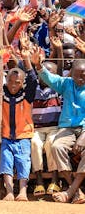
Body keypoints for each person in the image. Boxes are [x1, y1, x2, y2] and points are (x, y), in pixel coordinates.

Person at [34, 55, 85, 204]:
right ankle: (77, 191)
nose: (80, 79)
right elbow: (50, 78)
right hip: (67, 128)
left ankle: (70, 191)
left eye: (84, 76)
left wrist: (83, 136)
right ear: (71, 74)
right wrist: (38, 66)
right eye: (77, 76)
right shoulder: (66, 84)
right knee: (56, 147)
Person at [0, 59, 37, 202]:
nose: (13, 85)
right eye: (10, 81)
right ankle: (9, 191)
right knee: (6, 161)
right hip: (6, 136)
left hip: (23, 135)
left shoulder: (26, 96)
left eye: (17, 82)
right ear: (6, 80)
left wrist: (27, 60)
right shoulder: (1, 94)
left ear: (22, 83)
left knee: (23, 162)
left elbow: (33, 80)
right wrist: (0, 60)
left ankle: (22, 191)